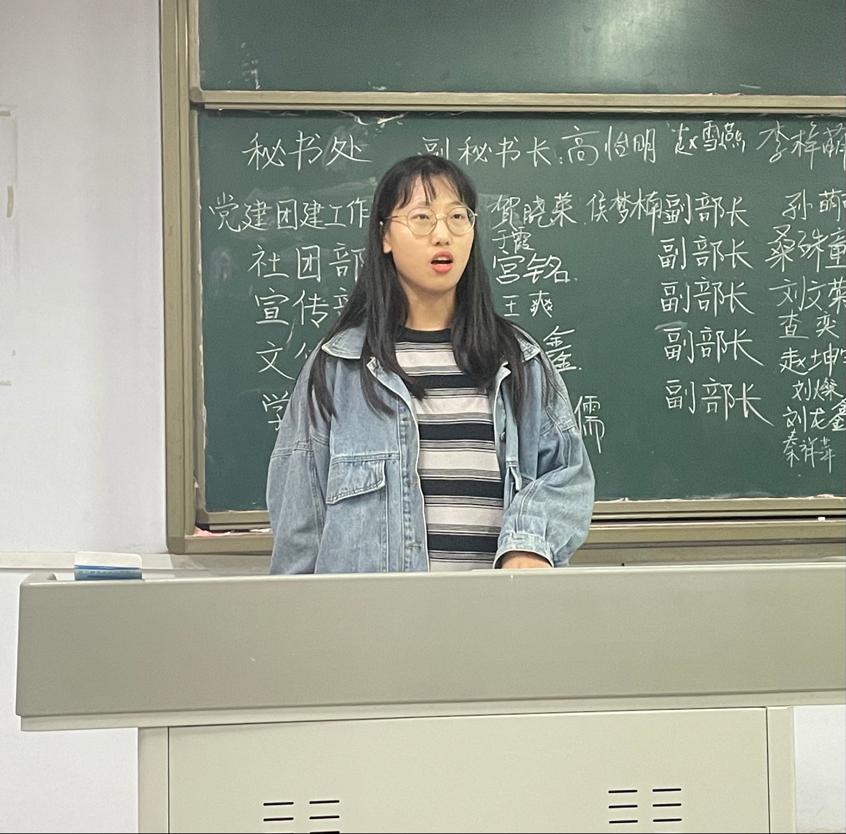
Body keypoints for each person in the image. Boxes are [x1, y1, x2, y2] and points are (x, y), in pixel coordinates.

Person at [267, 154, 594, 574]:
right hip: (374, 615)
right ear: (384, 236)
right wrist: (294, 608)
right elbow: (300, 520)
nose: (442, 234)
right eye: (422, 218)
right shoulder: (337, 368)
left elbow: (568, 474)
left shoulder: (517, 361)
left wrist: (529, 544)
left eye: (457, 217)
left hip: (495, 612)